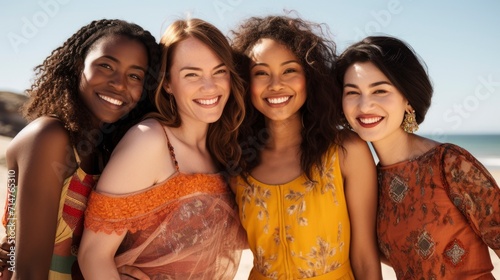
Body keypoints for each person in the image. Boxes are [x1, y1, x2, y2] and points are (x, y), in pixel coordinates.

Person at [77, 18, 247, 279]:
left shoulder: (223, 150)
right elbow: (93, 256)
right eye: (192, 74)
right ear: (167, 83)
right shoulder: (150, 141)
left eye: (219, 71)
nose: (210, 86)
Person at [0, 19, 161, 279]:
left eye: (134, 76)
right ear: (78, 66)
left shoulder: (107, 149)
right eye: (106, 66)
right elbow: (28, 270)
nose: (119, 84)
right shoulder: (49, 137)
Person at [229, 14, 382, 279]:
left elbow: (365, 258)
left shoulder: (346, 151)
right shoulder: (237, 160)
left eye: (289, 70)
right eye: (261, 73)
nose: (276, 84)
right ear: (245, 82)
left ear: (309, 76)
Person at [335, 35, 500, 279]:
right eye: (352, 92)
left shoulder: (449, 163)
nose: (365, 105)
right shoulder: (369, 181)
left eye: (379, 90)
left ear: (407, 100)